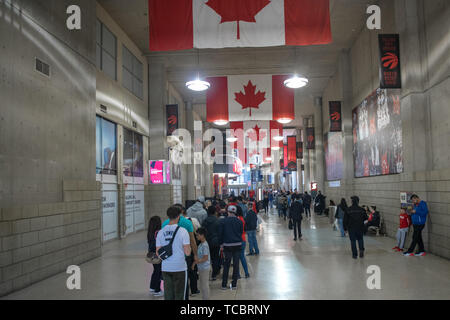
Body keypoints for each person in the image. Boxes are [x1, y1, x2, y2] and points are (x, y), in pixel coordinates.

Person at [156, 206, 191, 300]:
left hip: (166, 267)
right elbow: (187, 252)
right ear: (179, 216)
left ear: (168, 216)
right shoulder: (183, 231)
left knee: (168, 295)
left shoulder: (161, 232)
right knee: (180, 295)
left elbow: (158, 253)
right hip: (179, 267)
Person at [164, 204, 198, 300]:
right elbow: (192, 241)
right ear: (180, 213)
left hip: (168, 258)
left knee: (169, 287)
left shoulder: (165, 223)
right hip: (182, 258)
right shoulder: (187, 223)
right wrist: (195, 254)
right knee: (183, 284)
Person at [219, 205, 244, 290]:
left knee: (227, 264)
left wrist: (221, 244)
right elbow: (241, 232)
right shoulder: (239, 221)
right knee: (236, 264)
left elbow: (221, 234)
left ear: (228, 212)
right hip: (237, 245)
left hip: (227, 246)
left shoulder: (223, 221)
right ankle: (234, 284)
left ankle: (224, 284)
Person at [202, 206, 221, 280]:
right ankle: (214, 274)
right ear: (215, 212)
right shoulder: (218, 220)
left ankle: (206, 274)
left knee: (206, 258)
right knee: (215, 258)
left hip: (207, 242)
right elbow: (220, 232)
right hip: (216, 242)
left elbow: (202, 231)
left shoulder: (205, 221)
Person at [193, 227, 210, 300]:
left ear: (202, 235)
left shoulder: (204, 245)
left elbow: (205, 258)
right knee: (202, 285)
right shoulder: (201, 244)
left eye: (197, 235)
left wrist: (196, 262)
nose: (196, 237)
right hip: (201, 267)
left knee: (204, 285)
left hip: (204, 268)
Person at [147, 216, 163, 296]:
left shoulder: (150, 232)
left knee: (155, 271)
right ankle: (157, 290)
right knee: (158, 272)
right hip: (157, 255)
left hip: (152, 255)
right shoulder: (158, 232)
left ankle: (152, 287)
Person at [236, 209, 250, 278]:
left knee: (237, 258)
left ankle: (238, 274)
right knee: (242, 257)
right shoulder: (242, 219)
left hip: (238, 240)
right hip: (243, 239)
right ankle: (246, 273)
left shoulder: (238, 220)